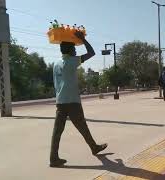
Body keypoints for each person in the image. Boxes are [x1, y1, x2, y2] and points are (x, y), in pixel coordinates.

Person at [50, 31, 107, 167]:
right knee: (82, 126)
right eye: (74, 48)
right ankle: (94, 147)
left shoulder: (56, 63)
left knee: (57, 131)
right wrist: (83, 39)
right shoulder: (72, 61)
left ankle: (53, 158)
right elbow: (92, 53)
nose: (75, 50)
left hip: (60, 102)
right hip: (72, 102)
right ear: (69, 50)